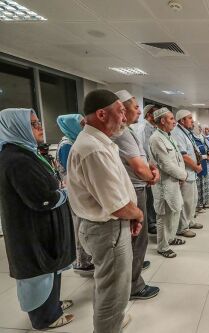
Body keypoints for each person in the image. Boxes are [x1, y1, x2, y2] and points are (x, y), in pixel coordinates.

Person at [67, 90, 143, 332]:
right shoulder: (93, 149)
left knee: (110, 288)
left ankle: (111, 322)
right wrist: (138, 214)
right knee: (113, 292)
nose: (125, 117)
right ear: (101, 114)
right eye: (121, 111)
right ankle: (108, 326)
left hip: (109, 227)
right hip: (106, 230)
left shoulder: (100, 142)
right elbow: (118, 206)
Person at [0, 108, 76, 330]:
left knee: (50, 269)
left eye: (38, 122)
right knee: (38, 273)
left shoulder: (27, 152)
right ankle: (44, 318)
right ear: (17, 127)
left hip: (41, 227)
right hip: (31, 231)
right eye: (33, 124)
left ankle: (52, 306)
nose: (40, 127)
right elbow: (41, 199)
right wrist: (65, 192)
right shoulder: (16, 159)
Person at [113, 90, 160, 301]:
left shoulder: (129, 130)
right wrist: (151, 175)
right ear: (121, 110)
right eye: (135, 106)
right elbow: (138, 168)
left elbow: (143, 159)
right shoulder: (121, 133)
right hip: (134, 189)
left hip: (140, 185)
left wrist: (151, 169)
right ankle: (134, 285)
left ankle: (136, 266)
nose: (139, 109)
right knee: (136, 238)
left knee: (138, 240)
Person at [56, 114, 93, 275]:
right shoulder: (67, 145)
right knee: (78, 225)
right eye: (81, 123)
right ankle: (81, 261)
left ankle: (85, 257)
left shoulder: (75, 141)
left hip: (79, 189)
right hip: (73, 190)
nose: (84, 126)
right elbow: (72, 172)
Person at [149, 108, 188, 259]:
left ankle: (170, 238)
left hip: (173, 181)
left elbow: (177, 159)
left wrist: (180, 176)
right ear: (163, 121)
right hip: (164, 184)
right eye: (171, 119)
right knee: (164, 215)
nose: (174, 121)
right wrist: (183, 175)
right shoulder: (156, 139)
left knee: (174, 212)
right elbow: (166, 164)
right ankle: (162, 246)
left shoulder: (167, 136)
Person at [171, 109, 204, 238]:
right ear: (182, 120)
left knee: (192, 200)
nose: (192, 121)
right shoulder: (177, 133)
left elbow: (193, 151)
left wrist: (198, 164)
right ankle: (182, 228)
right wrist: (196, 166)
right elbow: (183, 156)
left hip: (192, 173)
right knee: (185, 202)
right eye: (190, 118)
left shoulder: (187, 133)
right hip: (186, 173)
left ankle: (190, 221)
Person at [134, 104, 159, 235]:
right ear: (149, 115)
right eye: (156, 114)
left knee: (153, 199)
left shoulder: (154, 129)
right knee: (149, 199)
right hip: (147, 169)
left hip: (153, 169)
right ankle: (150, 223)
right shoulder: (143, 129)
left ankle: (152, 220)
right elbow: (143, 152)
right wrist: (148, 172)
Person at [193, 124, 209, 211]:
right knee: (199, 186)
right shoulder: (193, 139)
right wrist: (205, 157)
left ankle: (206, 203)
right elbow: (194, 154)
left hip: (205, 165)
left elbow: (206, 149)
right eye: (199, 128)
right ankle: (199, 205)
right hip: (198, 165)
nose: (201, 129)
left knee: (205, 184)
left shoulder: (202, 138)